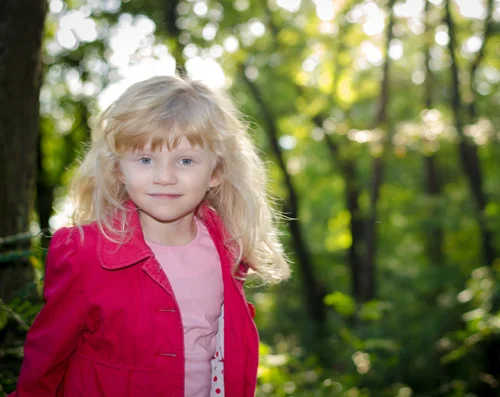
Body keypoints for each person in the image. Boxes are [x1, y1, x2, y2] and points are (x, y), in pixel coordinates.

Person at [10, 75, 291, 397]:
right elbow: (46, 360)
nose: (165, 177)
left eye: (185, 160)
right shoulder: (84, 253)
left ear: (215, 172)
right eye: (145, 159)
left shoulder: (228, 246)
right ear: (119, 169)